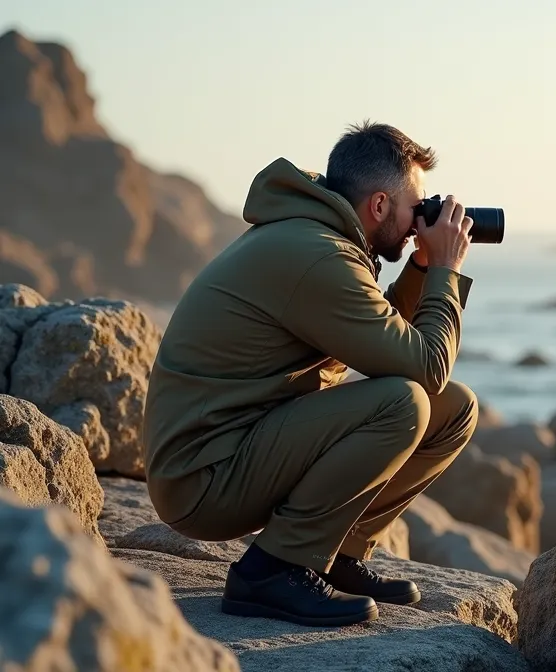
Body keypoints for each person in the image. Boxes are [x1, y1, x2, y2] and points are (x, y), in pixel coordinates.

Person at [142, 121, 479, 627]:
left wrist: (420, 268)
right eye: (417, 207)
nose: (421, 222)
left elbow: (388, 343)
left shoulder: (315, 237)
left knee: (454, 409)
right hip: (203, 478)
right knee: (404, 402)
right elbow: (424, 367)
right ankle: (273, 571)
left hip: (238, 445)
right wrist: (445, 271)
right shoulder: (318, 255)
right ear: (380, 206)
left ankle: (337, 554)